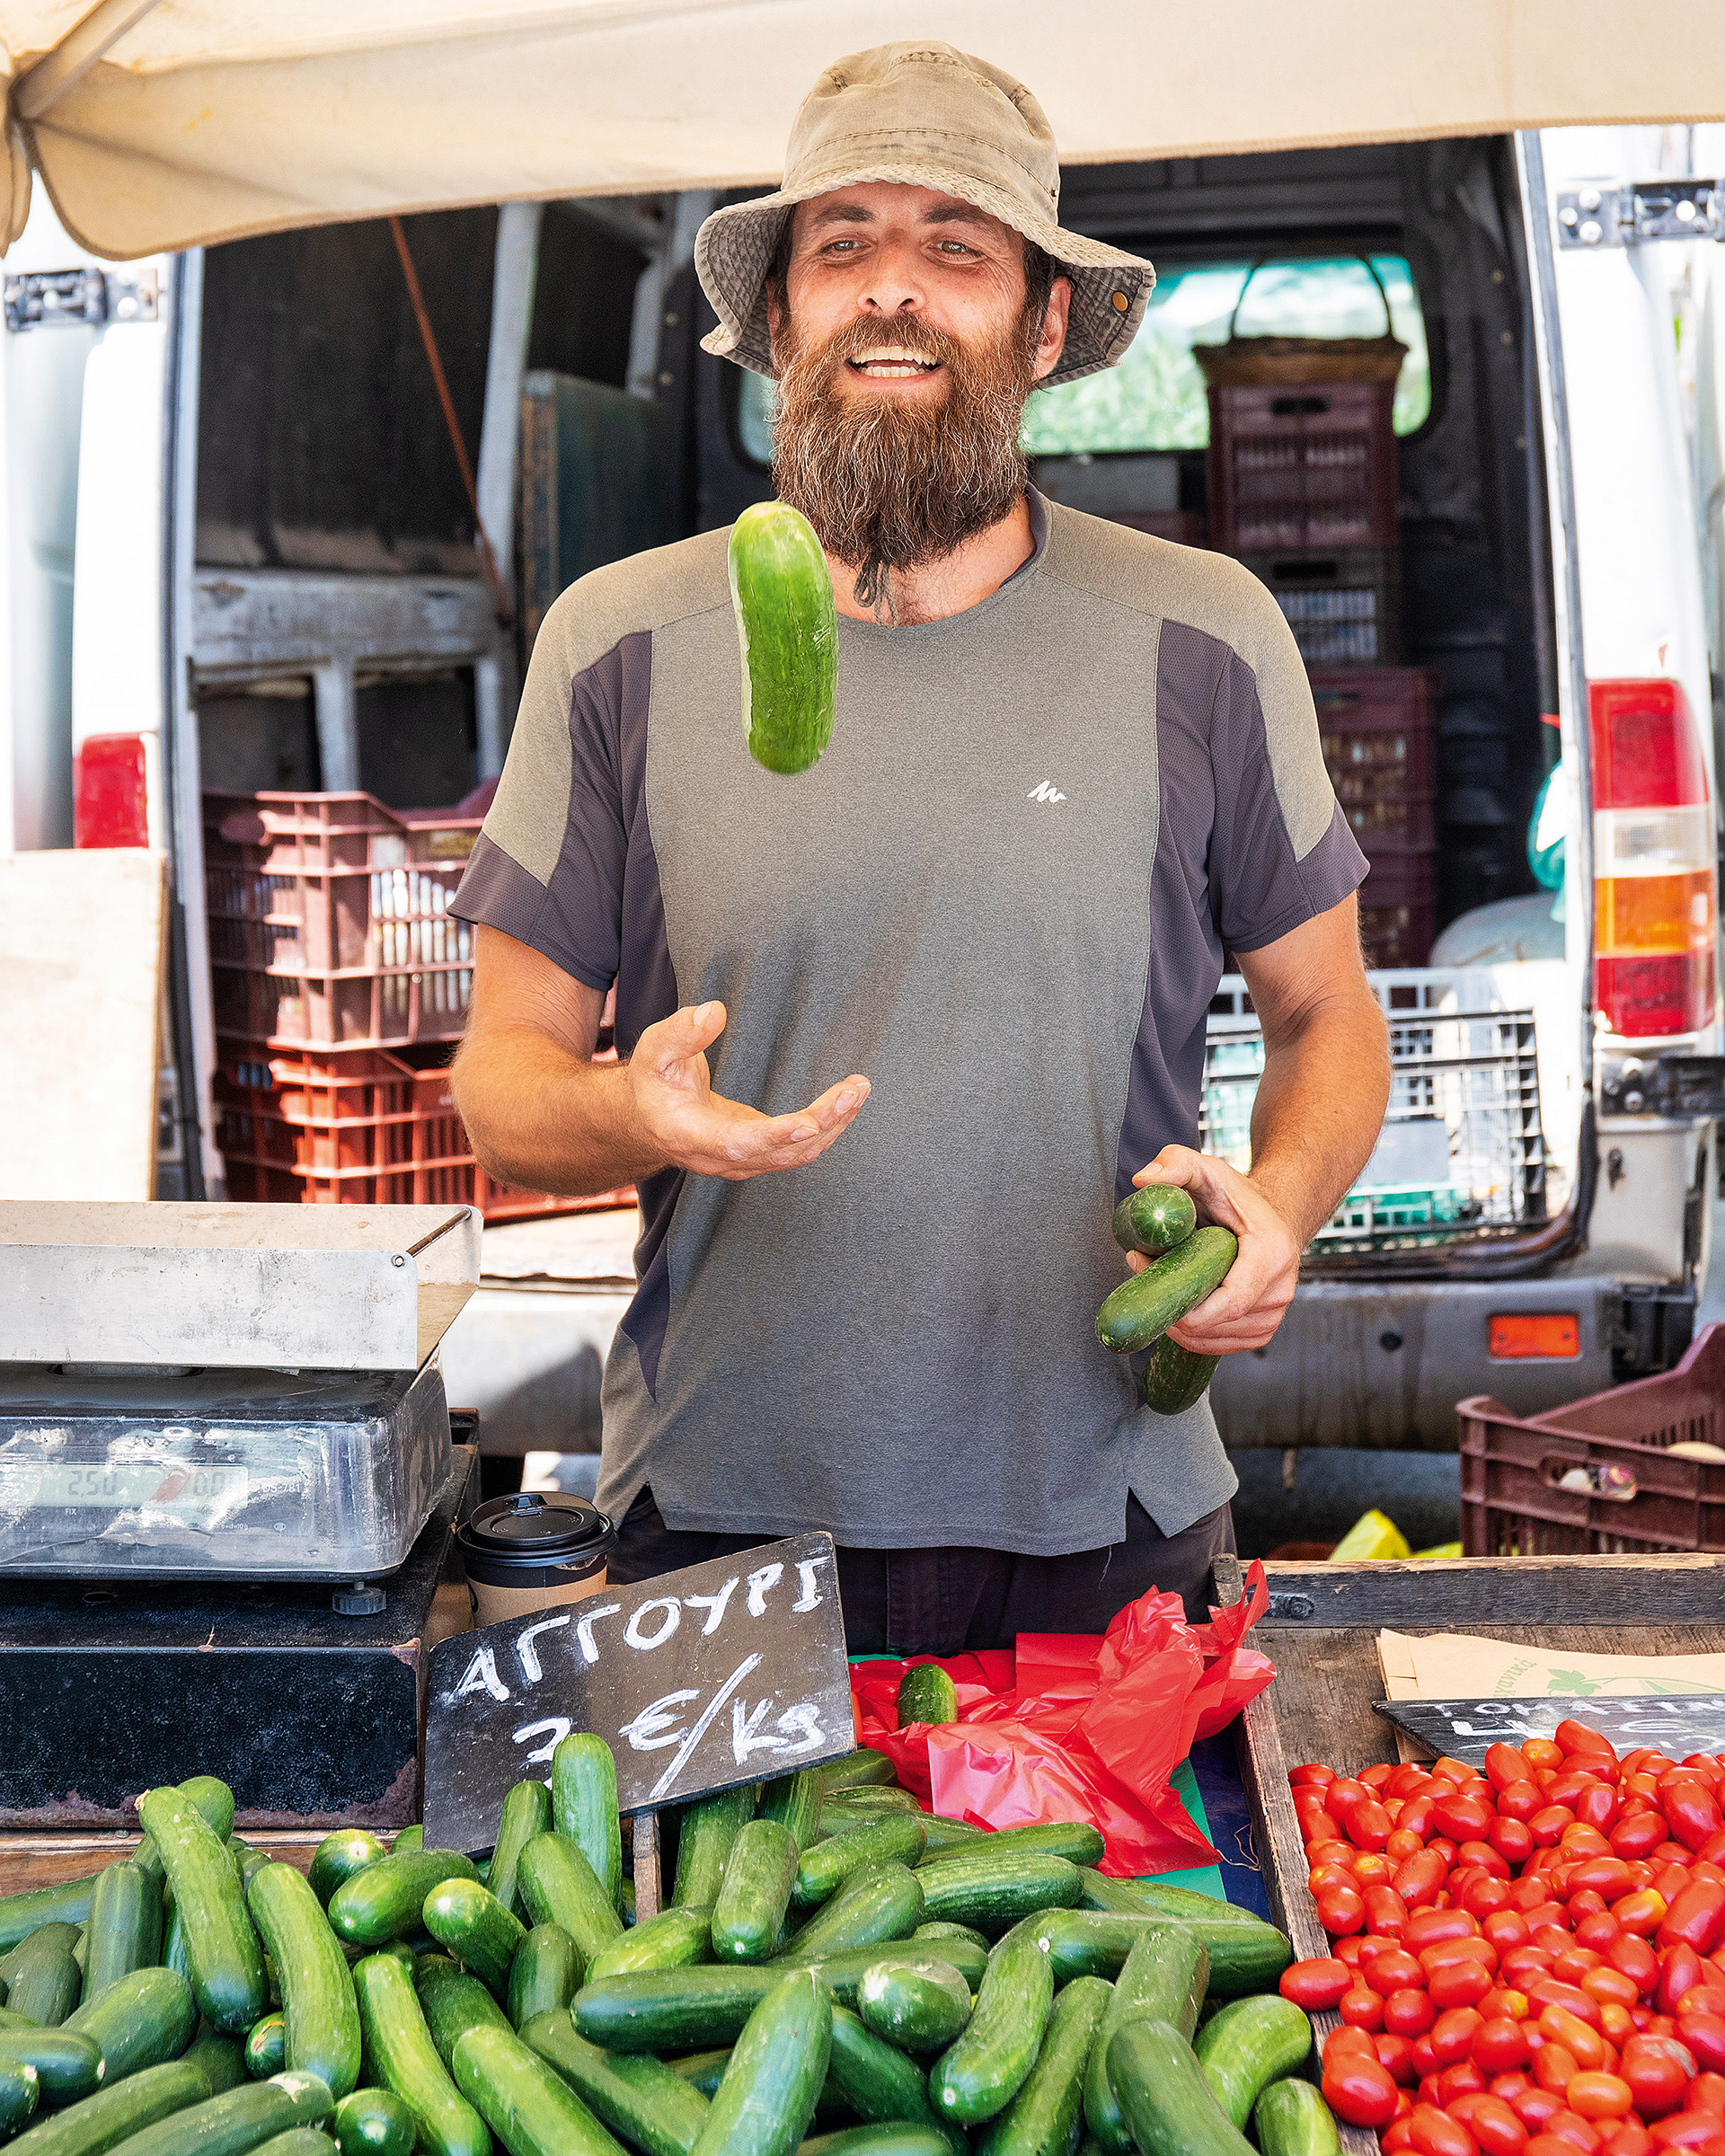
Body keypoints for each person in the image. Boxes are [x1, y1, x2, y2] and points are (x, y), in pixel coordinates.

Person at [450, 40, 1392, 1648]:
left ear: (1038, 323)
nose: (897, 289)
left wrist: (1282, 1207)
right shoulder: (620, 643)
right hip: (718, 1516)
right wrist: (637, 1109)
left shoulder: (1203, 636)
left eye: (958, 248)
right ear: (782, 323)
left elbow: (1328, 1014)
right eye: (845, 248)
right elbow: (503, 1090)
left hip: (1110, 1514)